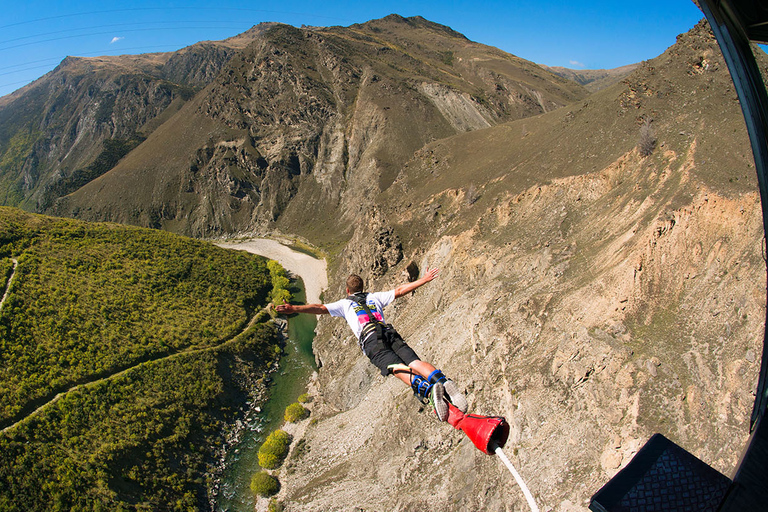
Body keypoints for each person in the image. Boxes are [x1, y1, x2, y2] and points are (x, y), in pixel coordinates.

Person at [275, 267, 467, 421]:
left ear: (348, 290)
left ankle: (428, 390)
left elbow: (319, 308)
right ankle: (444, 382)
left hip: (371, 341)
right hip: (389, 331)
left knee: (394, 367)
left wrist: (293, 308)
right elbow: (400, 290)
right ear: (363, 287)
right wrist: (424, 279)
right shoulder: (374, 297)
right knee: (414, 362)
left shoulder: (344, 304)